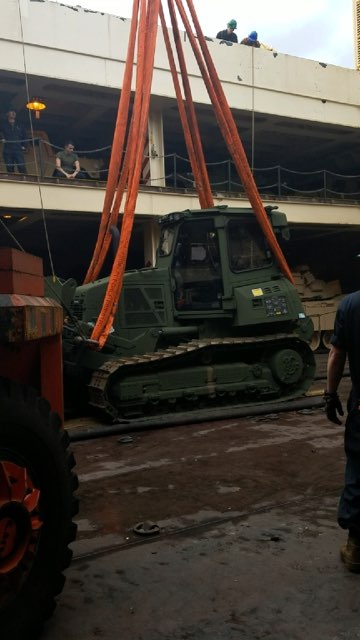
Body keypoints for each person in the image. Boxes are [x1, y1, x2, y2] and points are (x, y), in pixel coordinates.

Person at [325, 290, 360, 572]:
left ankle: (357, 548)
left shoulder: (350, 305)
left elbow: (337, 354)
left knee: (359, 472)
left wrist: (330, 394)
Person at [0, 107, 27, 174]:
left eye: (14, 112)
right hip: (7, 149)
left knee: (21, 166)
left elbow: (25, 136)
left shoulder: (20, 125)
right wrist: (2, 138)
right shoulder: (3, 125)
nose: (13, 113)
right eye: (11, 111)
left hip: (18, 148)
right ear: (7, 114)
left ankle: (24, 179)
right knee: (9, 167)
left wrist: (24, 146)